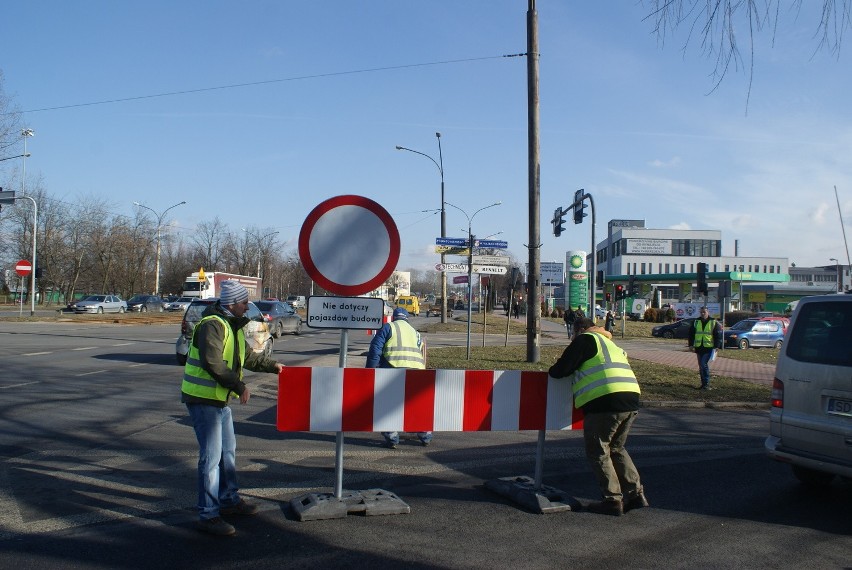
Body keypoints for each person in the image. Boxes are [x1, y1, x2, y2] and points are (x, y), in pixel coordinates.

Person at [181, 280, 284, 536]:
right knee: (211, 459)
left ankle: (228, 500)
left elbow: (247, 357)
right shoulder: (213, 325)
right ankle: (208, 514)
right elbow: (213, 362)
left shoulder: (231, 325)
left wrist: (272, 366)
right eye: (244, 302)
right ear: (231, 304)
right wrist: (240, 386)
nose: (248, 306)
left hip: (219, 401)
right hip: (204, 400)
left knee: (228, 453)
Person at [548, 317, 648, 516]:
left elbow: (560, 370)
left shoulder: (585, 340)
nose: (572, 336)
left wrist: (554, 368)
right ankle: (636, 494)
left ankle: (612, 500)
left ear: (580, 329)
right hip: (631, 398)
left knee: (598, 450)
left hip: (605, 402)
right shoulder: (610, 343)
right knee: (617, 448)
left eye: (573, 332)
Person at [366, 307, 430, 448]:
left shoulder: (388, 328)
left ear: (394, 317)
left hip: (393, 369)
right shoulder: (415, 332)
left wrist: (370, 371)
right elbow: (421, 353)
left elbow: (375, 350)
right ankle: (424, 434)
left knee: (389, 404)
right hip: (417, 372)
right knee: (414, 404)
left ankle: (392, 436)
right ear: (407, 318)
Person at [687, 306, 723, 390]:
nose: (703, 314)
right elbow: (691, 334)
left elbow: (718, 335)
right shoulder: (696, 322)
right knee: (701, 366)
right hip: (699, 347)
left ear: (708, 312)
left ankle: (706, 383)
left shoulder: (713, 322)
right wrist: (691, 345)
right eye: (701, 312)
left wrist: (717, 346)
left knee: (703, 364)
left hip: (709, 348)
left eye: (704, 312)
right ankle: (703, 384)